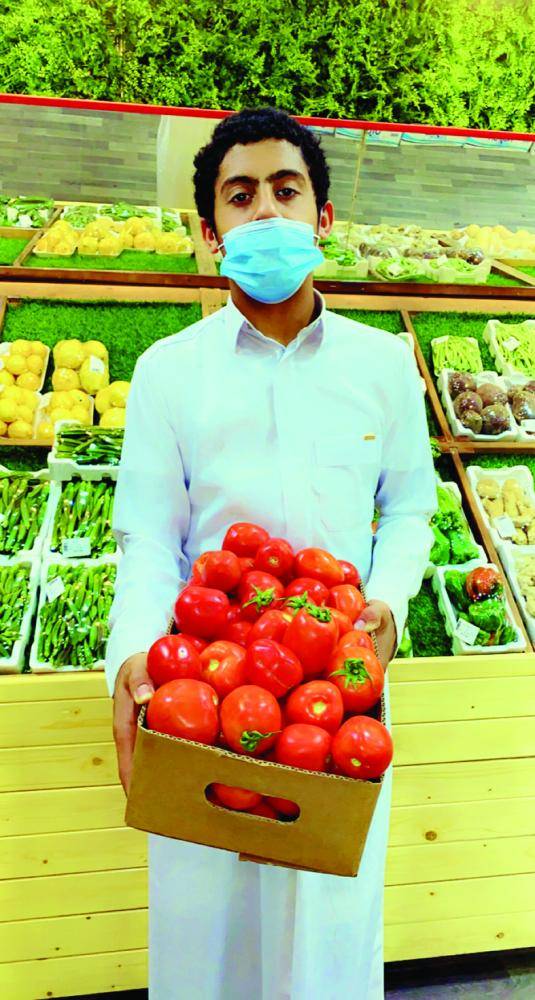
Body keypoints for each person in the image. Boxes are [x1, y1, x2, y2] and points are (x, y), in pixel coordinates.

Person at [106, 107, 437, 1000]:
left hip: (336, 693)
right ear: (210, 232)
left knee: (326, 938)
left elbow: (411, 509)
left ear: (322, 217)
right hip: (204, 695)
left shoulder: (382, 366)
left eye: (286, 191)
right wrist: (133, 654)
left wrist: (388, 603)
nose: (265, 211)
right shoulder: (170, 371)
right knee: (204, 935)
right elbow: (147, 536)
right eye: (240, 195)